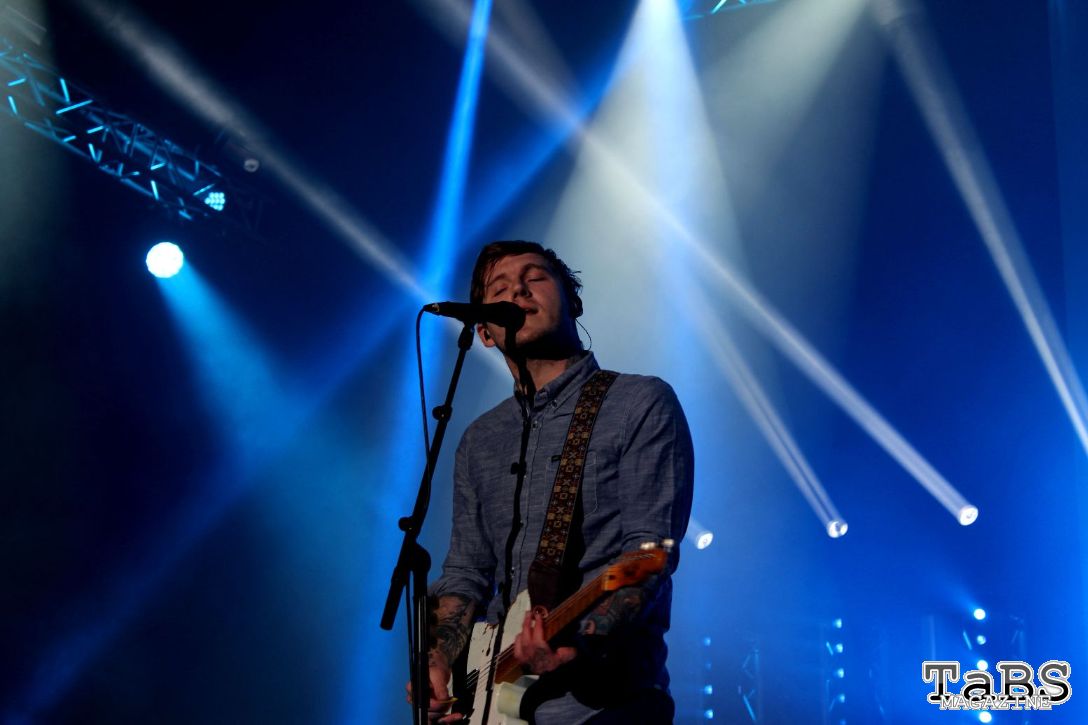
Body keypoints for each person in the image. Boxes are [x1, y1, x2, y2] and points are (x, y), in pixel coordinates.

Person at [419, 240, 694, 724]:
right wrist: (439, 661)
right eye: (499, 288)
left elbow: (648, 555)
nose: (518, 291)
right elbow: (466, 570)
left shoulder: (639, 402)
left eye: (535, 278)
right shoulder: (480, 439)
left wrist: (585, 639)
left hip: (606, 704)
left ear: (573, 302)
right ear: (483, 331)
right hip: (493, 704)